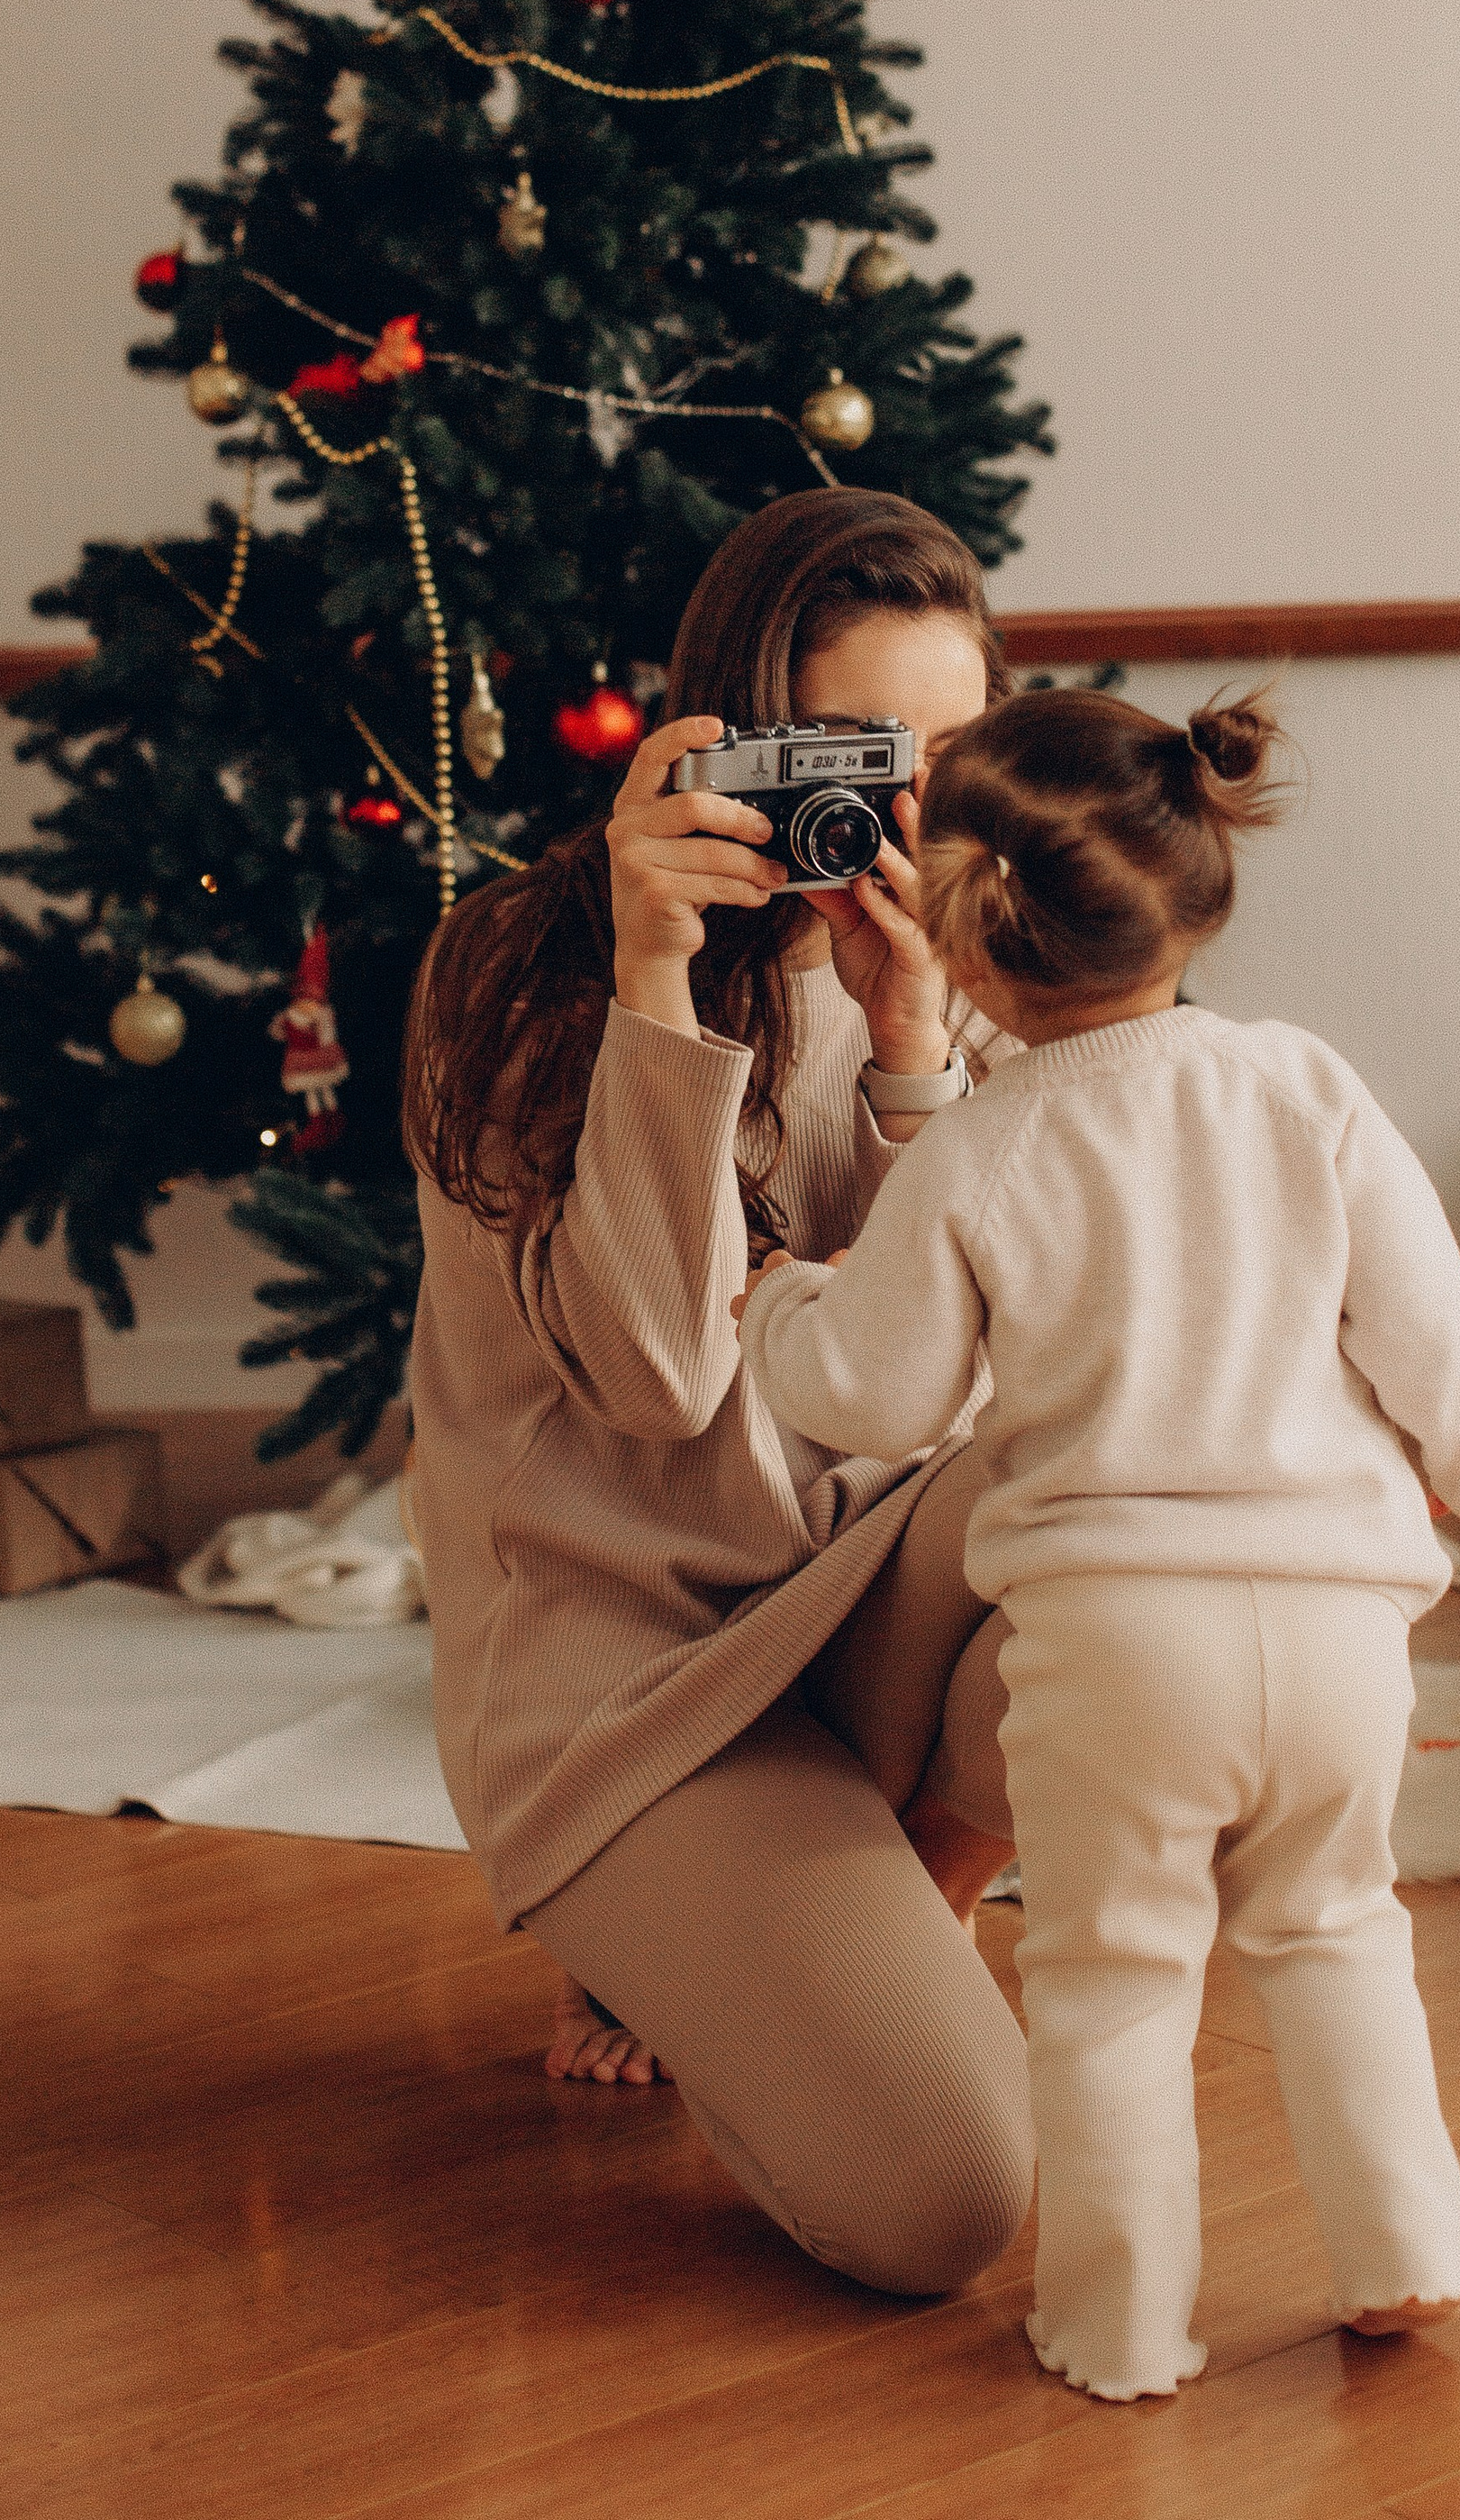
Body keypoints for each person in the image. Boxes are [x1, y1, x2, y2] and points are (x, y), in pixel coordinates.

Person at [736, 687, 1460, 2399]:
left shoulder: (976, 1143)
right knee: (1340, 1931)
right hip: (1336, 1633)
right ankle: (1408, 2255)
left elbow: (877, 1396)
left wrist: (781, 1307)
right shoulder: (1300, 1086)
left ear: (959, 930)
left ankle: (1114, 2328)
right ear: (1201, 881)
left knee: (1112, 1984)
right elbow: (1433, 1321)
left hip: (1117, 1645)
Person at [399, 487, 1036, 2297]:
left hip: (859, 1597)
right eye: (862, 756)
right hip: (629, 1685)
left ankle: (908, 1880)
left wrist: (913, 1047)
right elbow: (664, 1374)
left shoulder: (968, 966)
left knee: (1145, 1468)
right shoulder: (506, 976)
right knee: (943, 2205)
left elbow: (1026, 1355)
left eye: (959, 752)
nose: (907, 816)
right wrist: (656, 990)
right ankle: (687, 1925)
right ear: (740, 746)